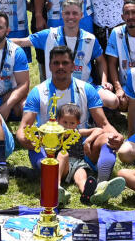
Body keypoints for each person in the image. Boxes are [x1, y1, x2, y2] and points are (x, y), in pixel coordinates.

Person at [17, 45, 123, 182]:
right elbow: (23, 127)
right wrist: (24, 139)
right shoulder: (38, 92)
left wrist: (116, 136)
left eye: (65, 63)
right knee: (36, 148)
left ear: (73, 66)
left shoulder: (87, 89)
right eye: (56, 63)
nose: (60, 66)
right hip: (50, 147)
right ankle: (55, 176)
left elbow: (103, 124)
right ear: (49, 66)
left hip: (83, 147)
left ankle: (102, 180)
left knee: (107, 138)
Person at [18, 0, 109, 101]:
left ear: (81, 15)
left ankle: (88, 110)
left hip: (84, 88)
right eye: (67, 13)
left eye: (75, 13)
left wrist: (104, 82)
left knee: (112, 100)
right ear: (62, 14)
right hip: (56, 89)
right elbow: (22, 42)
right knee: (30, 102)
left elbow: (101, 61)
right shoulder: (49, 34)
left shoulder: (90, 38)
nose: (71, 17)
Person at [53, 103, 127, 206]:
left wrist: (88, 140)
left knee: (81, 177)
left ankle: (90, 195)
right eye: (64, 122)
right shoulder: (55, 134)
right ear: (58, 121)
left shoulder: (78, 132)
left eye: (72, 123)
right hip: (64, 166)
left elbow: (99, 130)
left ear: (77, 123)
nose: (68, 126)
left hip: (79, 164)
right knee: (63, 154)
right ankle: (56, 187)